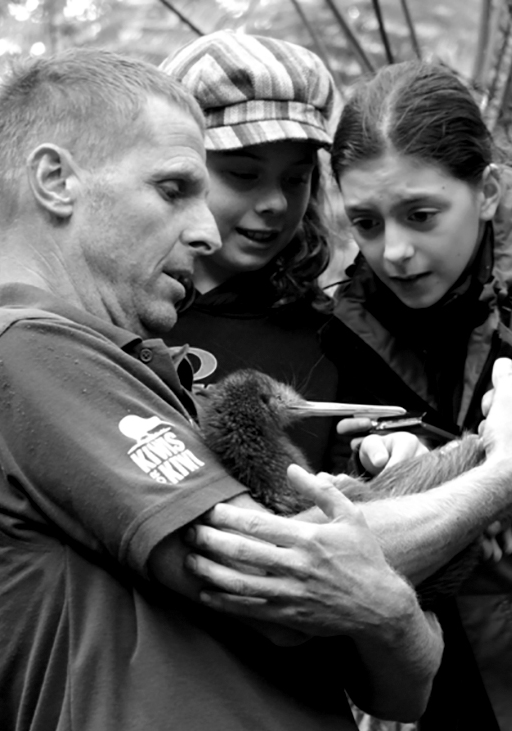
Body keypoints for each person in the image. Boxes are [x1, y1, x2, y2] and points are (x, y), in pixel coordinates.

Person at [0, 47, 512, 731]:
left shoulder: (170, 374)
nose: (211, 230)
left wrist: (380, 598)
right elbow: (283, 571)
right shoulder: (26, 355)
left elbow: (405, 677)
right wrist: (506, 468)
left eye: (296, 177)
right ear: (56, 180)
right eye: (177, 187)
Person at [323, 59, 512, 731]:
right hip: (465, 682)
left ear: (486, 191)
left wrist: (441, 485)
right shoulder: (357, 317)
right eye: (365, 222)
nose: (393, 250)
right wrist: (427, 460)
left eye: (421, 215)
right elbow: (501, 475)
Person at [160, 31, 339, 471]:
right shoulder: (114, 316)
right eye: (243, 174)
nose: (275, 203)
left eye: (295, 179)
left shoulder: (334, 339)